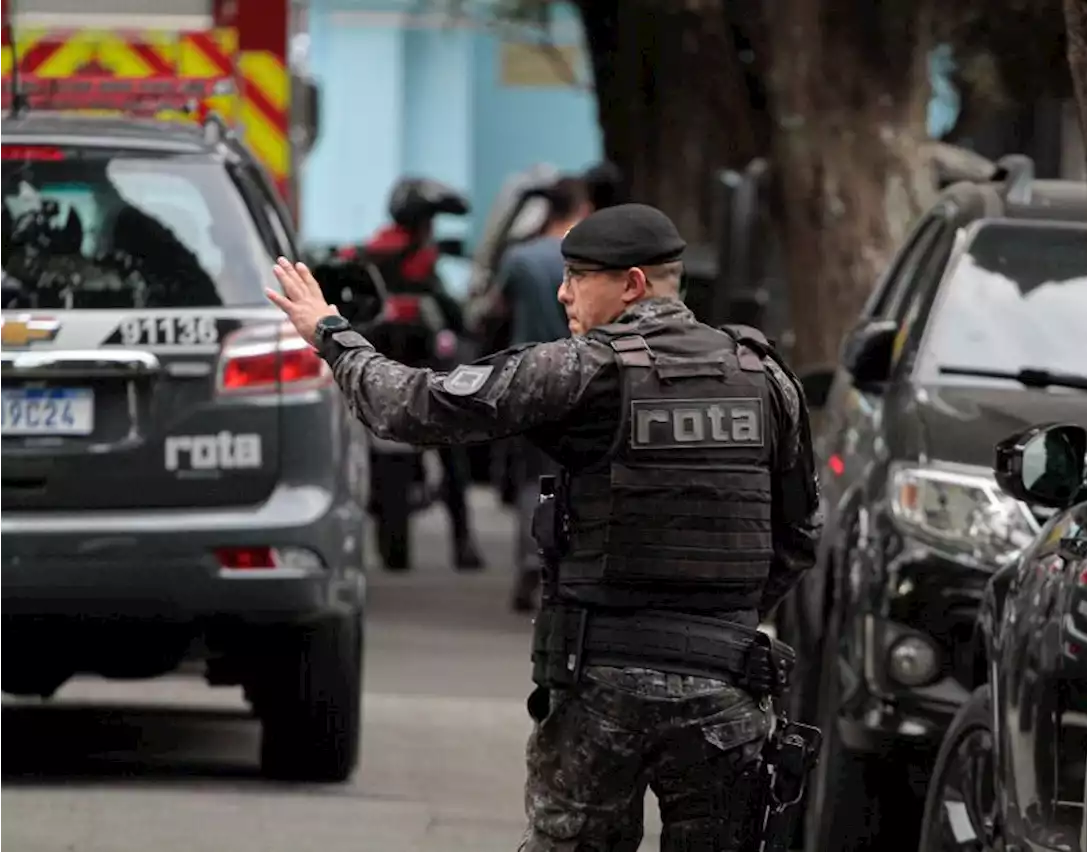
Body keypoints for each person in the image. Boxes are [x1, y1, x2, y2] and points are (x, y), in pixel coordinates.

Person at [266, 203, 821, 850]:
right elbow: (799, 536)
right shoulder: (766, 378)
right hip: (730, 694)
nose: (561, 292)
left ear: (632, 284)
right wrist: (719, 625)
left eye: (578, 276)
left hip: (603, 690)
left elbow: (413, 406)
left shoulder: (585, 368)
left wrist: (332, 333)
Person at [342, 177, 484, 571]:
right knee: (454, 453)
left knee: (385, 457)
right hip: (429, 375)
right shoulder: (420, 260)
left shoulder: (368, 255)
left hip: (381, 375)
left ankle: (396, 550)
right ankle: (464, 544)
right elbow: (456, 318)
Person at [496, 176, 591, 611]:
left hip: (529, 379)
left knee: (533, 477)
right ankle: (570, 563)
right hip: (584, 379)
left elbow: (493, 311)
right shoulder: (591, 261)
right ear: (583, 208)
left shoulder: (520, 258)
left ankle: (531, 558)